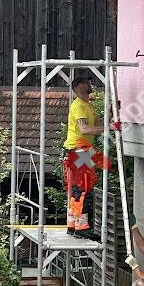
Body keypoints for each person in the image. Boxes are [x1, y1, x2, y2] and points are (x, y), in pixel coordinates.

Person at [63, 74, 103, 234]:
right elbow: (85, 129)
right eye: (86, 82)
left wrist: (110, 115)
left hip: (82, 150)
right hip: (78, 150)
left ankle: (73, 224)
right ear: (78, 87)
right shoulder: (79, 105)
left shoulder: (88, 105)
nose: (89, 85)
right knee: (82, 188)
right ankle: (81, 227)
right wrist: (109, 128)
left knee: (79, 188)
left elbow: (98, 125)